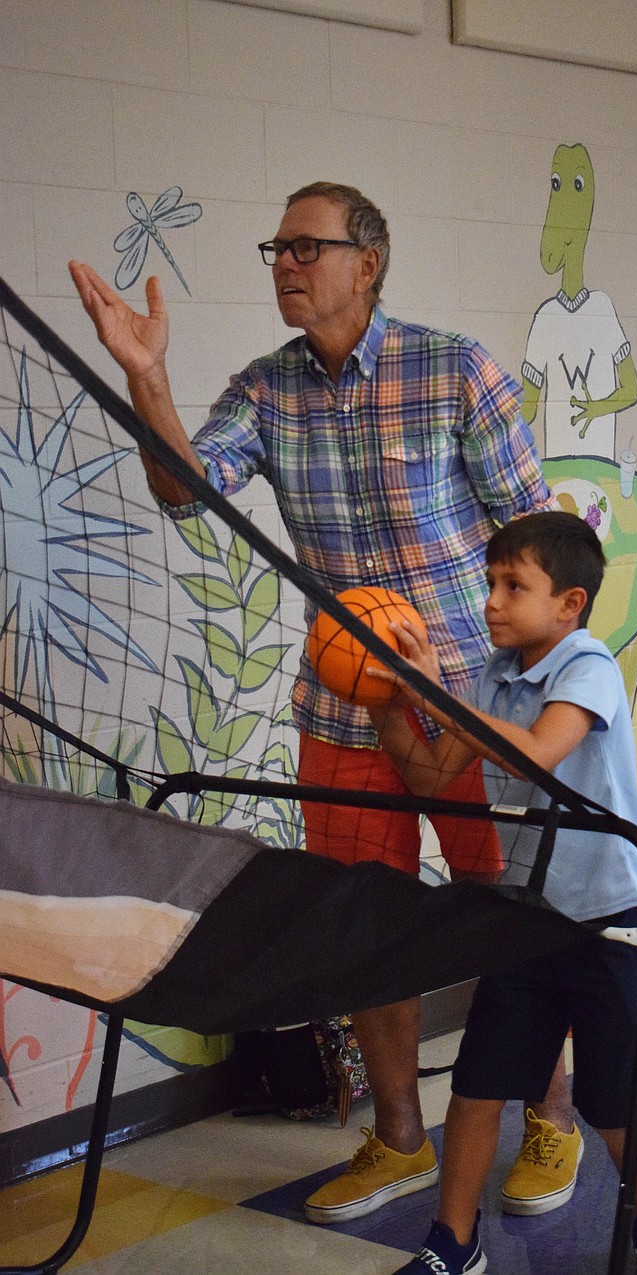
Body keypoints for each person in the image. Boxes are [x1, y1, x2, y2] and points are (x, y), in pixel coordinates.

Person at [67, 181, 560, 1225]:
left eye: (305, 246)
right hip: (341, 716)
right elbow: (183, 490)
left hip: (472, 708)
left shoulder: (454, 369)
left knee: (515, 917)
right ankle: (396, 1141)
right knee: (356, 928)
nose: (285, 263)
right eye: (276, 249)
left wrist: (543, 697)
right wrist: (147, 377)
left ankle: (552, 1117)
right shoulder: (265, 388)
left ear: (366, 262)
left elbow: (542, 539)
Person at [366, 511, 637, 1275]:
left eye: (515, 586)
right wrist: (386, 701)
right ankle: (453, 1240)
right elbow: (429, 773)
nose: (492, 601)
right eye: (490, 583)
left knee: (618, 1096)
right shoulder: (494, 674)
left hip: (611, 913)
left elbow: (543, 751)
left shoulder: (588, 665)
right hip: (527, 912)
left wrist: (434, 691)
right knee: (481, 1084)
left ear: (569, 604)